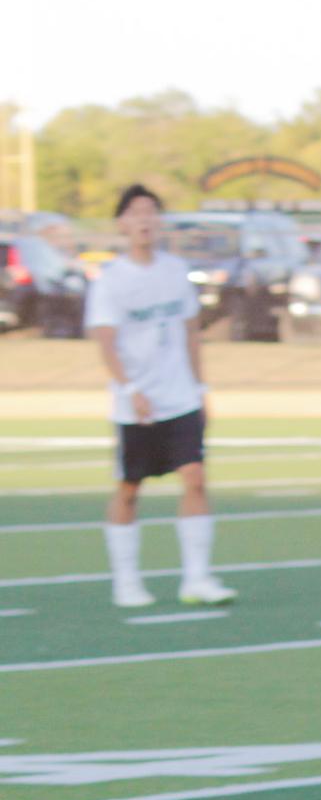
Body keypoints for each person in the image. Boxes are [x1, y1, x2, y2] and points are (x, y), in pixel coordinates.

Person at [85, 185, 235, 610]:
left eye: (151, 212)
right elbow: (106, 342)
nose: (144, 220)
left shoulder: (174, 270)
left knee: (195, 477)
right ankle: (127, 582)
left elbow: (190, 332)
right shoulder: (112, 280)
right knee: (130, 488)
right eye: (135, 213)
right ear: (122, 224)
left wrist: (200, 388)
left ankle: (197, 578)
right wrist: (130, 389)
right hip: (137, 402)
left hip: (180, 395)